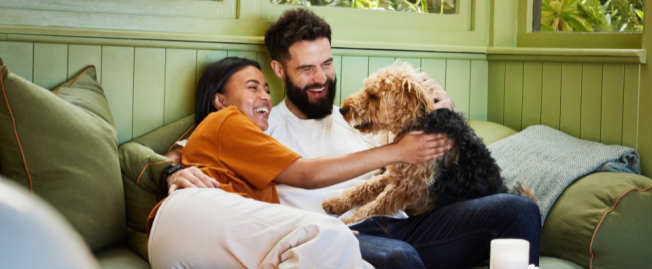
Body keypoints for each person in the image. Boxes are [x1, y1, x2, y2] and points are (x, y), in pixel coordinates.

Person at [166, 8, 542, 268]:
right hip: (338, 237)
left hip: (407, 226)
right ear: (280, 69)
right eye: (307, 68)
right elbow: (180, 154)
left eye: (327, 64)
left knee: (520, 210)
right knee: (396, 258)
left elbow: (440, 157)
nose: (321, 77)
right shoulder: (260, 124)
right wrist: (170, 173)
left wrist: (443, 114)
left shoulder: (363, 117)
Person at [147, 57, 450, 268]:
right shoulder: (228, 120)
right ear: (219, 100)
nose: (265, 96)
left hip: (211, 241)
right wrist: (400, 151)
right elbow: (305, 173)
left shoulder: (242, 144)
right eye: (252, 87)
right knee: (338, 239)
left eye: (266, 89)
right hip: (193, 221)